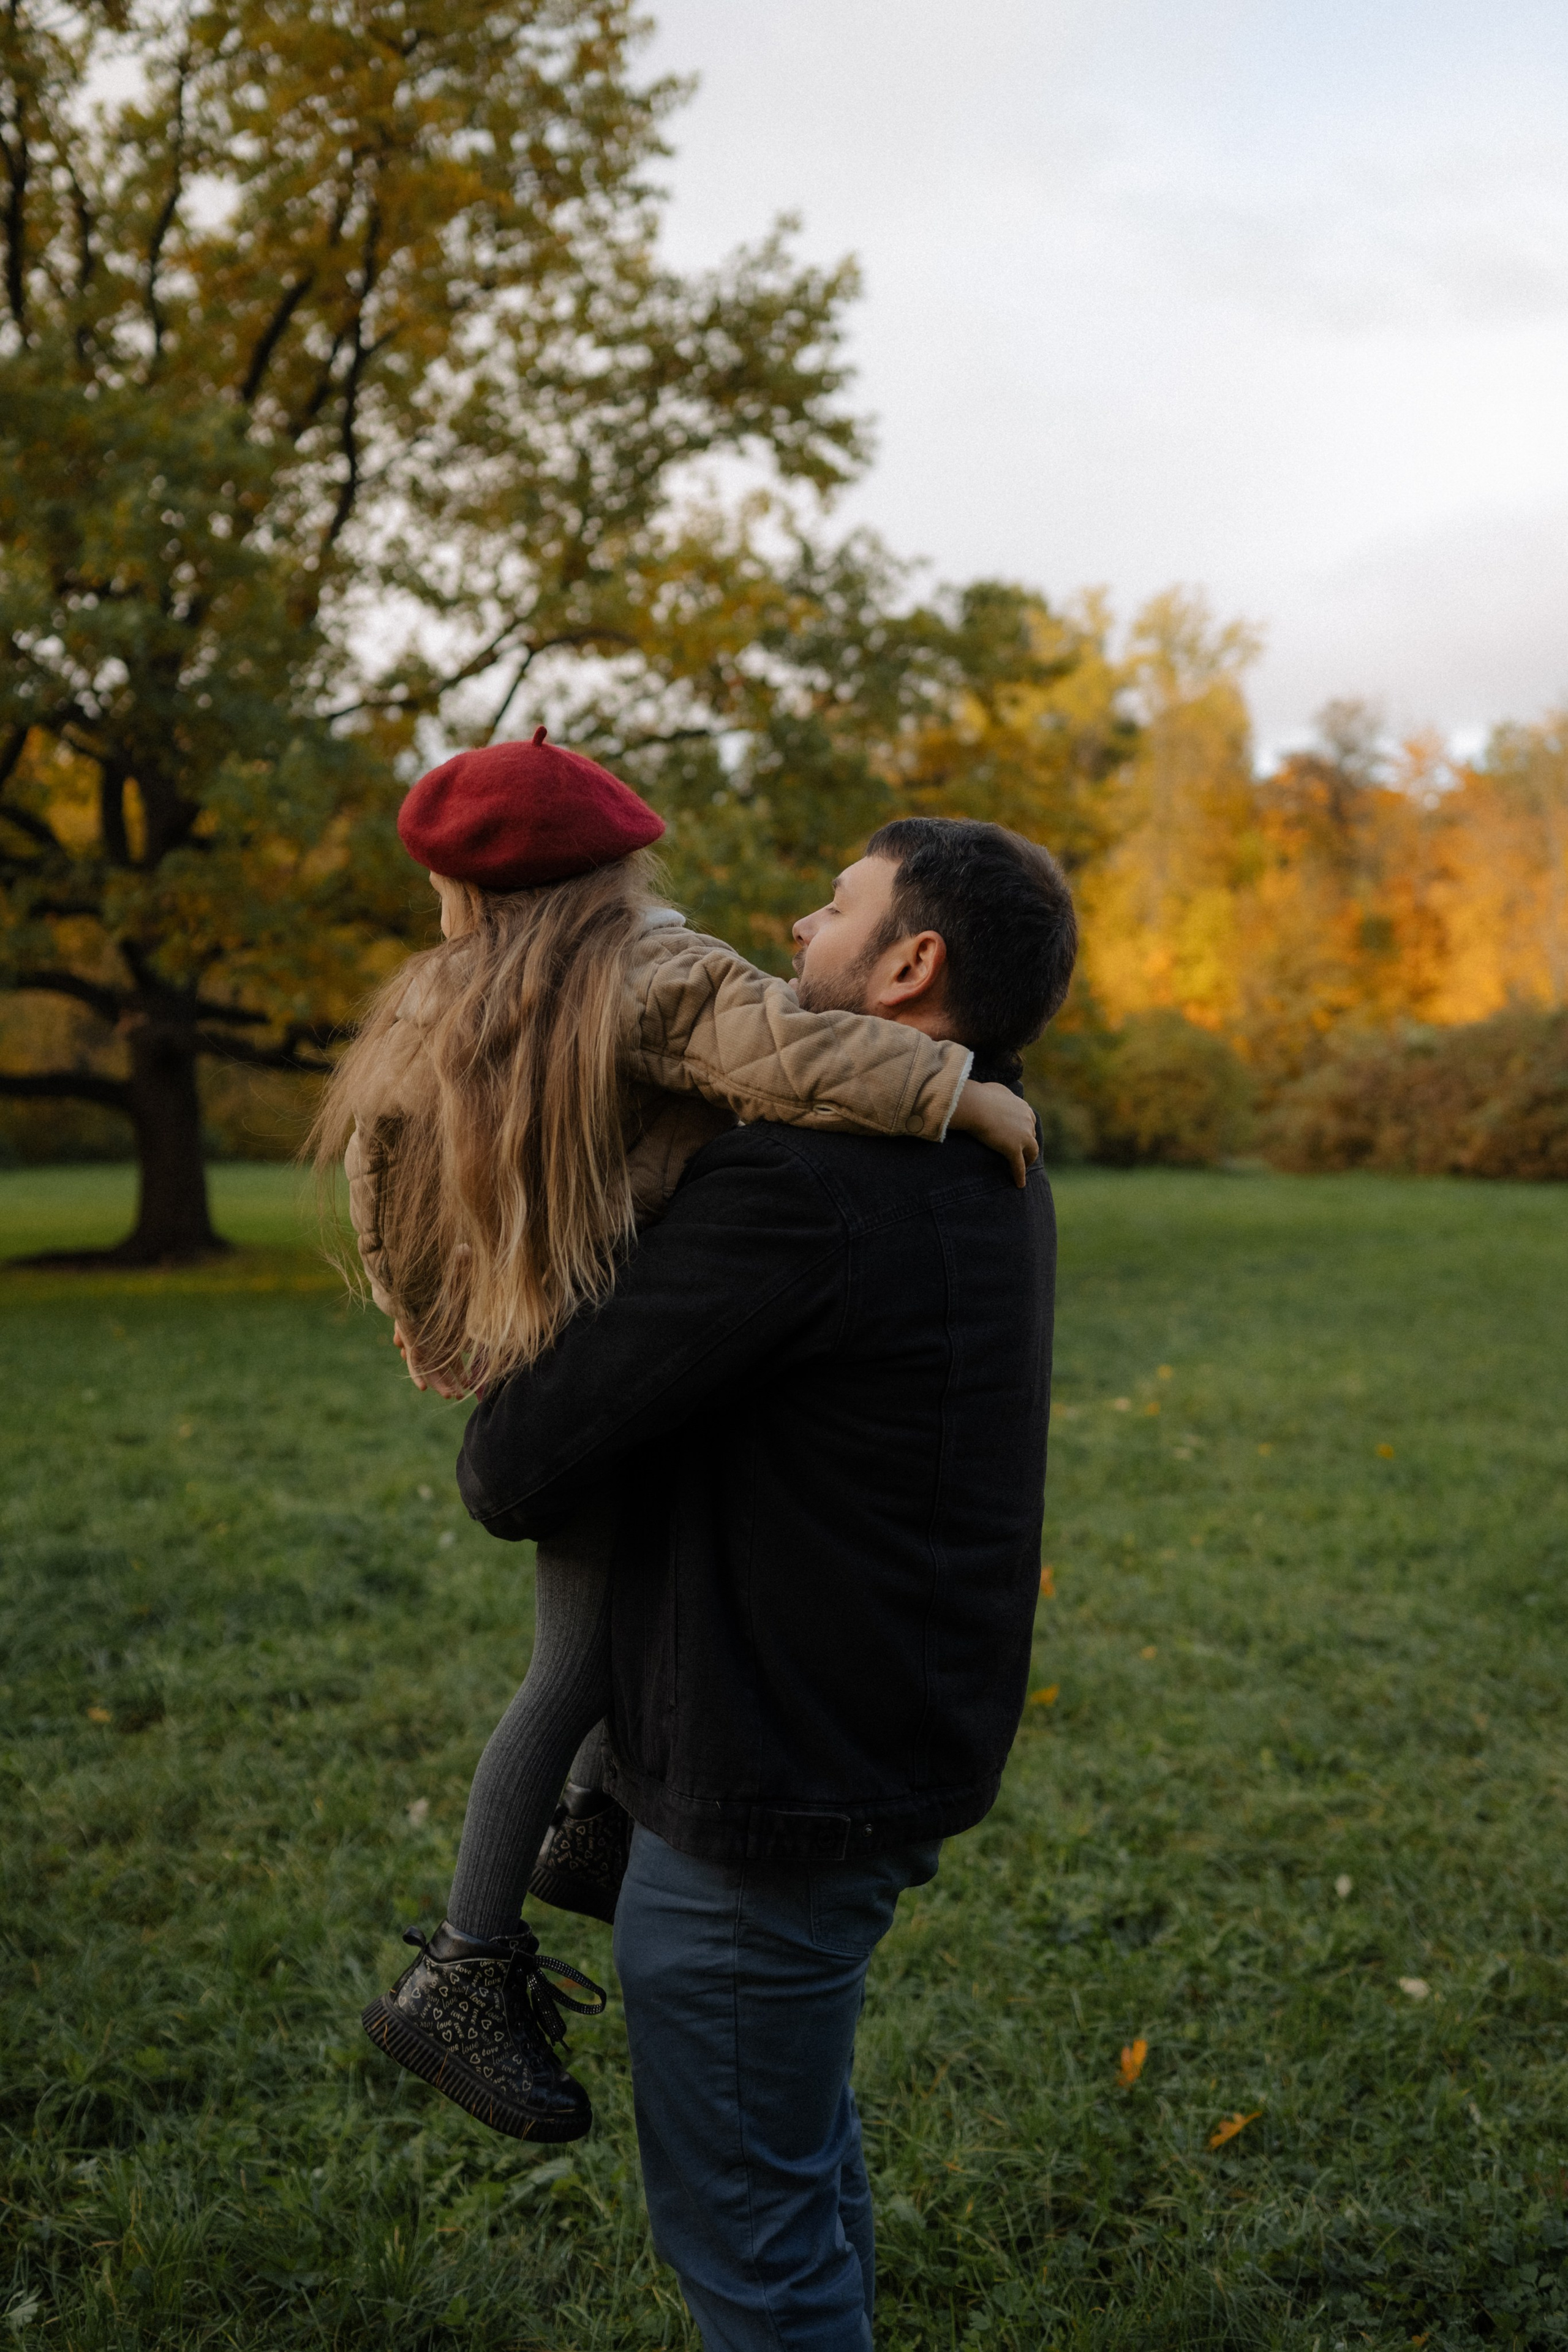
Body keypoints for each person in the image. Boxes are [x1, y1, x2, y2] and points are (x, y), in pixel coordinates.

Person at [311, 731, 1041, 2145]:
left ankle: (592, 1827)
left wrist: (427, 1322)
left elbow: (376, 1172)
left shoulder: (434, 1000)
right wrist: (955, 1092)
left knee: (615, 1597)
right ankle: (463, 1969)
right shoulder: (650, 969)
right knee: (571, 1659)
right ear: (614, 865)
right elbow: (791, 1052)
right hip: (600, 1341)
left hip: (546, 1334)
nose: (796, 928)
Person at [456, 813, 1072, 2349]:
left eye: (836, 908)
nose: (795, 930)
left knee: (751, 2239)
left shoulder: (804, 1185)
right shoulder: (980, 1137)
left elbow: (512, 1463)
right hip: (879, 1742)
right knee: (794, 2170)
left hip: (768, 1779)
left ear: (911, 964)